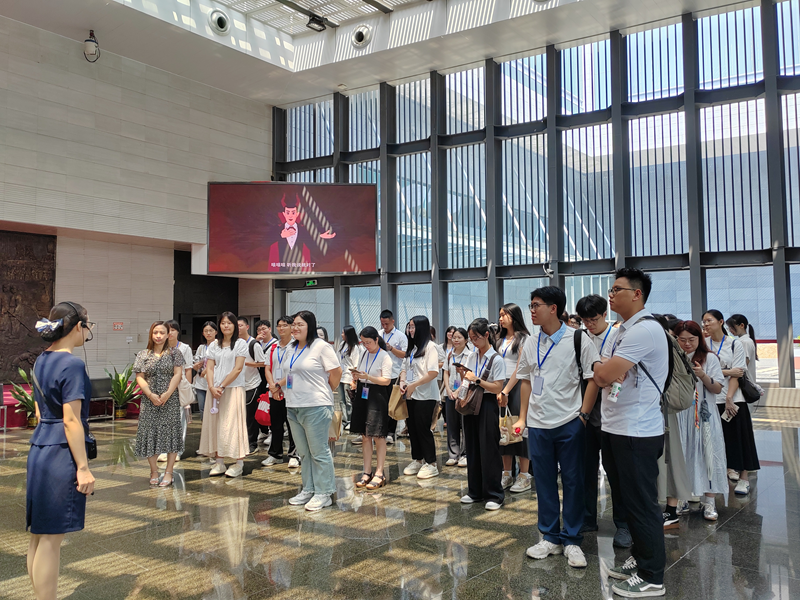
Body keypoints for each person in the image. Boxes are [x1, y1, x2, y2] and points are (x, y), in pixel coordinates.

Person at [593, 268, 668, 598]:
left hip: (637, 431)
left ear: (637, 294)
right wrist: (604, 370)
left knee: (641, 504)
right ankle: (641, 558)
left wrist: (604, 371)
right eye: (610, 290)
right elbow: (601, 368)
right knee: (626, 501)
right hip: (615, 427)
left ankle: (652, 576)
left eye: (617, 290)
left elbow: (601, 374)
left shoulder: (645, 330)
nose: (610, 295)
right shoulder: (618, 330)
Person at [513, 287, 600, 570]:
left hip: (569, 422)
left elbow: (593, 379)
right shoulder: (530, 342)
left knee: (573, 481)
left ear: (553, 308)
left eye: (536, 305)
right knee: (544, 482)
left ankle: (572, 539)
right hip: (538, 425)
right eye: (530, 305)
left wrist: (583, 416)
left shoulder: (578, 338)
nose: (531, 310)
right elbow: (527, 380)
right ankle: (550, 536)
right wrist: (523, 418)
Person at [27, 302, 95, 600]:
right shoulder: (72, 364)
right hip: (60, 454)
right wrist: (83, 467)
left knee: (38, 535)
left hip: (39, 448)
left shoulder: (41, 359)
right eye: (88, 325)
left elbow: (39, 411)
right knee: (52, 539)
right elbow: (71, 420)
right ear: (79, 326)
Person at [575, 294, 631, 548]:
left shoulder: (619, 337)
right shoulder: (580, 339)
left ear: (605, 315)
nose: (590, 325)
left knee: (616, 471)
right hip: (585, 411)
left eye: (594, 319)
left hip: (614, 411)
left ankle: (623, 524)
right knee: (585, 468)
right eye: (585, 321)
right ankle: (587, 517)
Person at [272, 310, 342, 511]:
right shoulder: (291, 347)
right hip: (293, 405)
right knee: (303, 452)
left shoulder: (320, 346)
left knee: (318, 451)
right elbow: (292, 372)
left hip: (316, 406)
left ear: (310, 326)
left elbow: (336, 372)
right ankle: (309, 489)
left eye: (300, 324)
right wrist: (279, 386)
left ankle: (324, 492)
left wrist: (328, 388)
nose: (295, 328)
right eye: (293, 324)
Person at [672, 320, 727, 522]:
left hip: (703, 415)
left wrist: (703, 375)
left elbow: (717, 388)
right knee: (681, 455)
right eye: (682, 340)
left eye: (692, 339)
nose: (687, 344)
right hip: (680, 414)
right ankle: (682, 497)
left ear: (700, 339)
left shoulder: (709, 358)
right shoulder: (673, 357)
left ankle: (709, 501)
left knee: (707, 454)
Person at [703, 309, 758, 495]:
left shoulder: (735, 344)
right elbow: (703, 372)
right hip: (712, 398)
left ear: (720, 322)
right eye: (704, 322)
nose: (706, 324)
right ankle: (724, 474)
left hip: (733, 398)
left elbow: (738, 373)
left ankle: (744, 478)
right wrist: (726, 371)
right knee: (718, 440)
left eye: (709, 320)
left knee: (741, 438)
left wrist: (729, 398)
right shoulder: (704, 345)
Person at [459, 318, 507, 510]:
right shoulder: (472, 356)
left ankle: (494, 494)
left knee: (489, 448)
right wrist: (462, 381)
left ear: (487, 335)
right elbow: (467, 379)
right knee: (472, 446)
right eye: (471, 338)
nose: (473, 341)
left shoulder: (496, 359)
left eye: (476, 337)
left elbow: (497, 387)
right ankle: (475, 491)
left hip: (487, 403)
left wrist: (477, 380)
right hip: (471, 401)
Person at [134, 321, 185, 487]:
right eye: (155, 332)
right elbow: (140, 377)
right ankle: (154, 471)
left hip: (170, 399)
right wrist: (150, 395)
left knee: (171, 434)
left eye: (162, 333)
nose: (158, 336)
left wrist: (167, 394)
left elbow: (177, 374)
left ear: (168, 335)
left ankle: (169, 472)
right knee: (150, 433)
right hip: (149, 400)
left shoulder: (175, 353)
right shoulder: (143, 354)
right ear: (151, 334)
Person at [199, 312, 249, 478]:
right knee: (216, 425)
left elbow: (238, 368)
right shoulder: (214, 345)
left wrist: (221, 386)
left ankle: (238, 463)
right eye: (223, 323)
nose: (226, 326)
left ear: (234, 325)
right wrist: (211, 387)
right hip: (214, 391)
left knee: (234, 424)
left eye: (229, 323)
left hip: (233, 389)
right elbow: (210, 367)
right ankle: (219, 461)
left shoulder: (240, 344)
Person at [350, 326, 393, 490]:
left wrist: (368, 376)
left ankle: (379, 472)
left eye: (368, 342)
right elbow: (362, 372)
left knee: (378, 435)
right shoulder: (363, 353)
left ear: (376, 340)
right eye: (363, 342)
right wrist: (356, 376)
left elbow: (386, 381)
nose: (366, 345)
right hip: (363, 393)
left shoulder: (384, 356)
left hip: (377, 395)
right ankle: (367, 471)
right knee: (365, 435)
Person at [495, 303, 532, 493]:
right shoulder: (499, 339)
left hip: (517, 387)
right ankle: (507, 473)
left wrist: (506, 391)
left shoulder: (524, 338)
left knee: (518, 428)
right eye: (500, 315)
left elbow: (520, 368)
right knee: (504, 429)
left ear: (514, 316)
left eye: (504, 315)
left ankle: (524, 475)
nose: (500, 319)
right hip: (500, 386)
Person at [400, 315, 441, 480]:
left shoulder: (430, 347)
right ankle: (417, 459)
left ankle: (431, 463)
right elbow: (404, 368)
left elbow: (433, 372)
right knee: (412, 428)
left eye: (413, 327)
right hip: (410, 395)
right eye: (409, 327)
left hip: (426, 395)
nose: (410, 330)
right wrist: (403, 382)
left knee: (423, 429)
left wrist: (414, 384)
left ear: (421, 328)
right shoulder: (412, 348)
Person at [263, 316, 299, 467]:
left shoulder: (296, 347)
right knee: (276, 424)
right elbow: (267, 368)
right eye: (279, 326)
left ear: (291, 327)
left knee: (292, 424)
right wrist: (272, 386)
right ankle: (275, 454)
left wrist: (277, 385)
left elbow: (293, 370)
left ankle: (294, 454)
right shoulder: (273, 347)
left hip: (290, 390)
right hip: (274, 391)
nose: (281, 328)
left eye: (285, 325)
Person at [268, 194, 336, 273]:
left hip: (299, 270)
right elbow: (266, 241)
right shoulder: (278, 228)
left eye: (293, 213)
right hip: (282, 270)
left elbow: (310, 240)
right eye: (288, 213)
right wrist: (281, 235)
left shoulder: (302, 229)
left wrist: (321, 236)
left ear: (297, 214)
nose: (290, 216)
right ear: (284, 214)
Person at [161, 319, 193, 462]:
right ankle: (164, 450)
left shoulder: (184, 348)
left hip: (180, 388)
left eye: (173, 330)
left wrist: (188, 390)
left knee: (180, 421)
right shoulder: (161, 347)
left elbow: (188, 369)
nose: (170, 333)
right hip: (164, 388)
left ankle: (177, 451)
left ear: (178, 332)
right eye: (168, 330)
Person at [442, 328, 472, 467]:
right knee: (451, 424)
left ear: (466, 340)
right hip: (450, 393)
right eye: (454, 337)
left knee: (465, 425)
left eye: (459, 337)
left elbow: (469, 376)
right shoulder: (449, 354)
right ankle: (453, 454)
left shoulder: (470, 355)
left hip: (464, 393)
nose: (456, 340)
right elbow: (446, 372)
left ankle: (465, 454)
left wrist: (458, 391)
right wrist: (448, 389)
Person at [238, 317, 268, 455]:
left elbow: (263, 363)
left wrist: (247, 364)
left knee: (250, 416)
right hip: (238, 385)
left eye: (240, 325)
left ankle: (252, 443)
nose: (238, 328)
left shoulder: (253, 344)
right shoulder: (235, 343)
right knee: (240, 415)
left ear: (247, 327)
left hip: (252, 384)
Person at [379, 309, 409, 445]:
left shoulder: (400, 336)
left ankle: (391, 432)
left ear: (393, 321)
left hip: (395, 374)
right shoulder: (378, 334)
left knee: (392, 403)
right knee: (382, 403)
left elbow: (405, 355)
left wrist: (391, 349)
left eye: (387, 324)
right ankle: (382, 430)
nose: (384, 326)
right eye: (382, 324)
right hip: (381, 374)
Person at [256, 319, 278, 445]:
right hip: (258, 378)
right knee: (261, 404)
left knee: (270, 406)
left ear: (270, 329)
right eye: (259, 329)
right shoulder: (257, 344)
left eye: (264, 328)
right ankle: (263, 430)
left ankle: (271, 432)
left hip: (270, 379)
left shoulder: (275, 344)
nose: (262, 331)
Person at [338, 325, 362, 430]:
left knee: (349, 400)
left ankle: (350, 420)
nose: (341, 335)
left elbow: (355, 365)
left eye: (343, 333)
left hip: (348, 377)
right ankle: (344, 420)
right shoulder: (342, 344)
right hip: (341, 376)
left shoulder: (355, 347)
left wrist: (354, 380)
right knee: (341, 400)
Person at [192, 321, 218, 417]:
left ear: (216, 332)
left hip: (214, 382)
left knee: (213, 408)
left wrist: (206, 370)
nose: (208, 333)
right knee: (202, 409)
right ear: (203, 333)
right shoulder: (201, 347)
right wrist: (196, 367)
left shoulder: (219, 346)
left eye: (211, 330)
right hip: (201, 382)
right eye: (206, 331)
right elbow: (196, 362)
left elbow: (219, 363)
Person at [726, 314, 758, 383]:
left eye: (732, 327)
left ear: (742, 325)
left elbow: (743, 365)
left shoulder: (745, 342)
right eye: (729, 328)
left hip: (744, 383)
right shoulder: (743, 341)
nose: (730, 330)